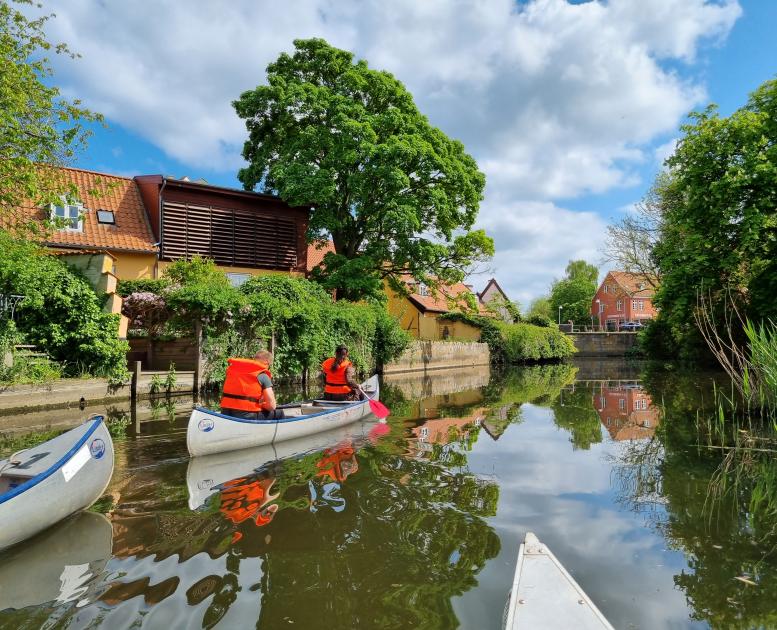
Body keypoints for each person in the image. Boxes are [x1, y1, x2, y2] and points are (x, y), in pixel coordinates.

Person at [220, 350, 285, 420]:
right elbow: (272, 406)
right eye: (269, 365)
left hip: (225, 413)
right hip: (246, 416)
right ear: (266, 362)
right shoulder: (262, 375)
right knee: (279, 413)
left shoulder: (234, 371)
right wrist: (262, 405)